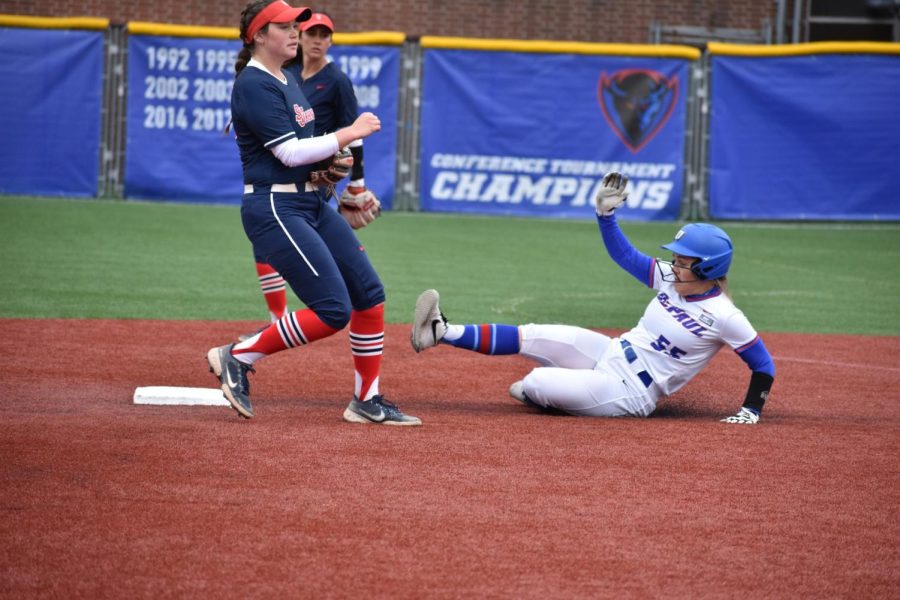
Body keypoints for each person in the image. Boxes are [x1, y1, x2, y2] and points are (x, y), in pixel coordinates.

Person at [411, 172, 775, 423]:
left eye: (683, 260)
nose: (674, 264)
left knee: (534, 382)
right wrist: (606, 215)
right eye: (676, 257)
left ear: (707, 269)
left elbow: (763, 365)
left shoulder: (725, 315)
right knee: (532, 334)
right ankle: (442, 332)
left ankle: (557, 393)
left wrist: (751, 410)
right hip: (611, 351)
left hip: (630, 390)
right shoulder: (670, 279)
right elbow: (625, 256)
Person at [208, 0, 420, 425]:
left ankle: (366, 399)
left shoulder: (285, 77)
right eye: (285, 26)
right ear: (259, 36)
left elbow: (306, 150)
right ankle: (239, 355)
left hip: (311, 200)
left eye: (296, 25)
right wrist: (350, 132)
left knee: (369, 295)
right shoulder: (253, 84)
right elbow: (287, 152)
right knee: (332, 309)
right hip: (275, 206)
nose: (295, 32)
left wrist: (333, 167)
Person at [241, 10, 380, 336]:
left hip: (316, 179)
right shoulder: (281, 76)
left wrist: (356, 186)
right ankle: (277, 322)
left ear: (331, 40)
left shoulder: (336, 80)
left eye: (324, 34)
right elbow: (283, 144)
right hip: (279, 183)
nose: (317, 39)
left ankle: (277, 328)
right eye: (309, 32)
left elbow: (353, 133)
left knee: (355, 294)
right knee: (265, 249)